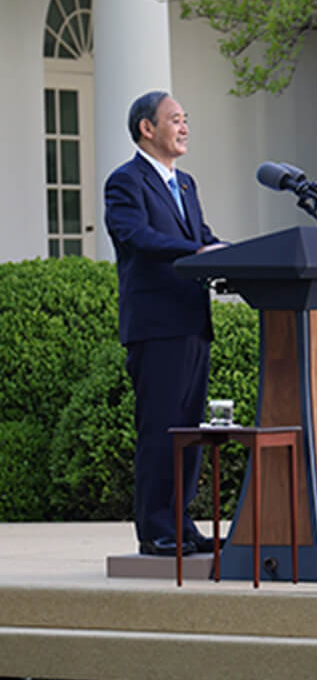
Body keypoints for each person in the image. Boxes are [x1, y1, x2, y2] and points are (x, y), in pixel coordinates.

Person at [105, 90, 226, 556]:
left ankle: (182, 524)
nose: (184, 127)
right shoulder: (125, 182)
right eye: (175, 119)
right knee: (160, 429)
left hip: (193, 322)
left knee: (190, 430)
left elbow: (203, 239)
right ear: (147, 128)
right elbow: (136, 236)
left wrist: (235, 255)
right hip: (156, 327)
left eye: (186, 119)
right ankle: (156, 530)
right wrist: (195, 252)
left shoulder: (187, 184)